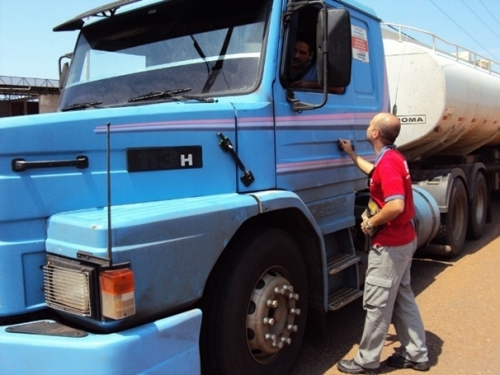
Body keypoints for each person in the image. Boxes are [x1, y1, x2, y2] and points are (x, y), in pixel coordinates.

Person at [337, 113, 429, 374]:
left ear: (376, 134)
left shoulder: (388, 162)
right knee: (402, 296)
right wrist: (351, 154)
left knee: (377, 304)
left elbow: (396, 205)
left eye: (370, 125)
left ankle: (366, 361)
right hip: (403, 240)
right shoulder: (392, 157)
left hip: (390, 245)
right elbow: (374, 172)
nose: (368, 127)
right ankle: (417, 353)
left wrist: (371, 222)